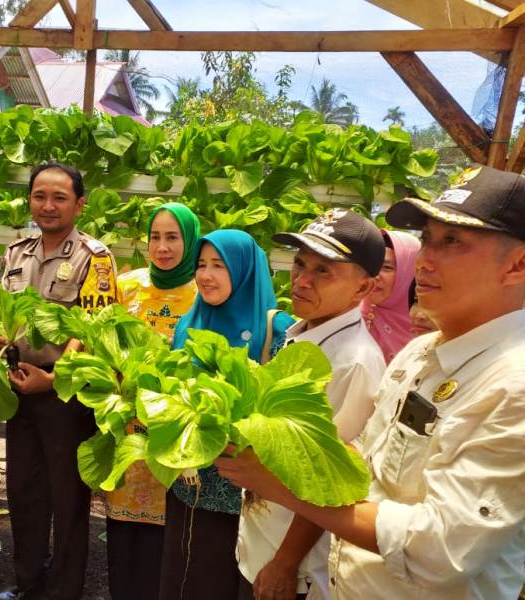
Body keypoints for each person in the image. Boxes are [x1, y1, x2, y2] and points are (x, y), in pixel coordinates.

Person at [216, 165, 525, 600]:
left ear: (518, 265)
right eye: (427, 239)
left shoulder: (512, 384)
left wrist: (282, 484)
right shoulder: (419, 355)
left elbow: (441, 550)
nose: (425, 259)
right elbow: (365, 459)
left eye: (452, 241)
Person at [233, 208, 387, 600]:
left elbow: (330, 481)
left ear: (363, 289)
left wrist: (285, 564)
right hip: (264, 540)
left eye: (324, 271)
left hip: (296, 566)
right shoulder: (303, 333)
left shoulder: (351, 360)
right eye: (300, 264)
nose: (301, 280)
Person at [0, 161, 118, 600]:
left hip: (65, 397)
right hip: (19, 390)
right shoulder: (16, 251)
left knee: (68, 501)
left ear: (79, 204)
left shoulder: (96, 256)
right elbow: (3, 313)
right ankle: (28, 583)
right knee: (23, 494)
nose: (47, 206)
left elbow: (93, 327)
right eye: (39, 196)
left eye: (59, 197)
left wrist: (52, 379)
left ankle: (64, 590)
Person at [158, 229, 294, 600]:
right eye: (201, 264)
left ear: (245, 269)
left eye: (219, 265)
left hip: (247, 493)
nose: (205, 275)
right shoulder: (189, 323)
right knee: (185, 578)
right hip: (188, 484)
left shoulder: (279, 332)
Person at [106, 202, 200, 600]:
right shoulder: (128, 286)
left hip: (172, 430)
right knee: (122, 532)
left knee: (165, 541)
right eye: (155, 237)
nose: (162, 247)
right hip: (127, 427)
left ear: (190, 241)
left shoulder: (202, 291)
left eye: (173, 237)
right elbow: (103, 341)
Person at [361, 229, 420, 364]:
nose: (375, 276)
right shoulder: (349, 314)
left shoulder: (429, 326)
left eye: (387, 268)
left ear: (409, 274)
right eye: (372, 266)